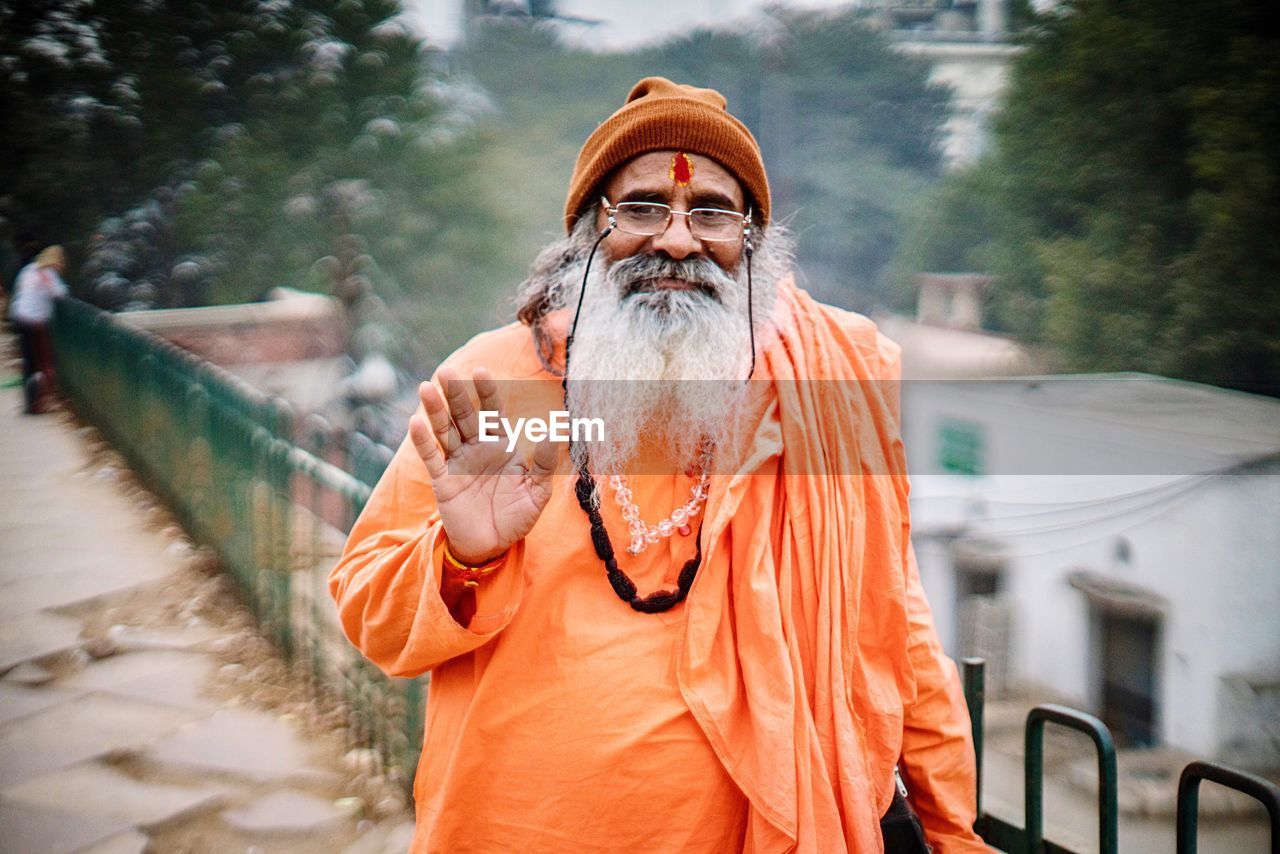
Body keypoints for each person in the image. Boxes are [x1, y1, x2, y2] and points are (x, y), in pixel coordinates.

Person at [330, 78, 986, 852]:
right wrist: (463, 557)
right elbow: (369, 612)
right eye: (641, 208)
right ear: (586, 234)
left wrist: (953, 834)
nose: (677, 241)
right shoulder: (493, 384)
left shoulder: (819, 389)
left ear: (753, 243)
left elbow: (893, 628)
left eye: (711, 211)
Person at [9, 245, 69, 414]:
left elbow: (19, 290)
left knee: (28, 361)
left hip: (18, 317)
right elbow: (60, 294)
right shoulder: (49, 274)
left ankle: (29, 403)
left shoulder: (28, 270)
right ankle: (38, 403)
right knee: (44, 363)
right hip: (35, 322)